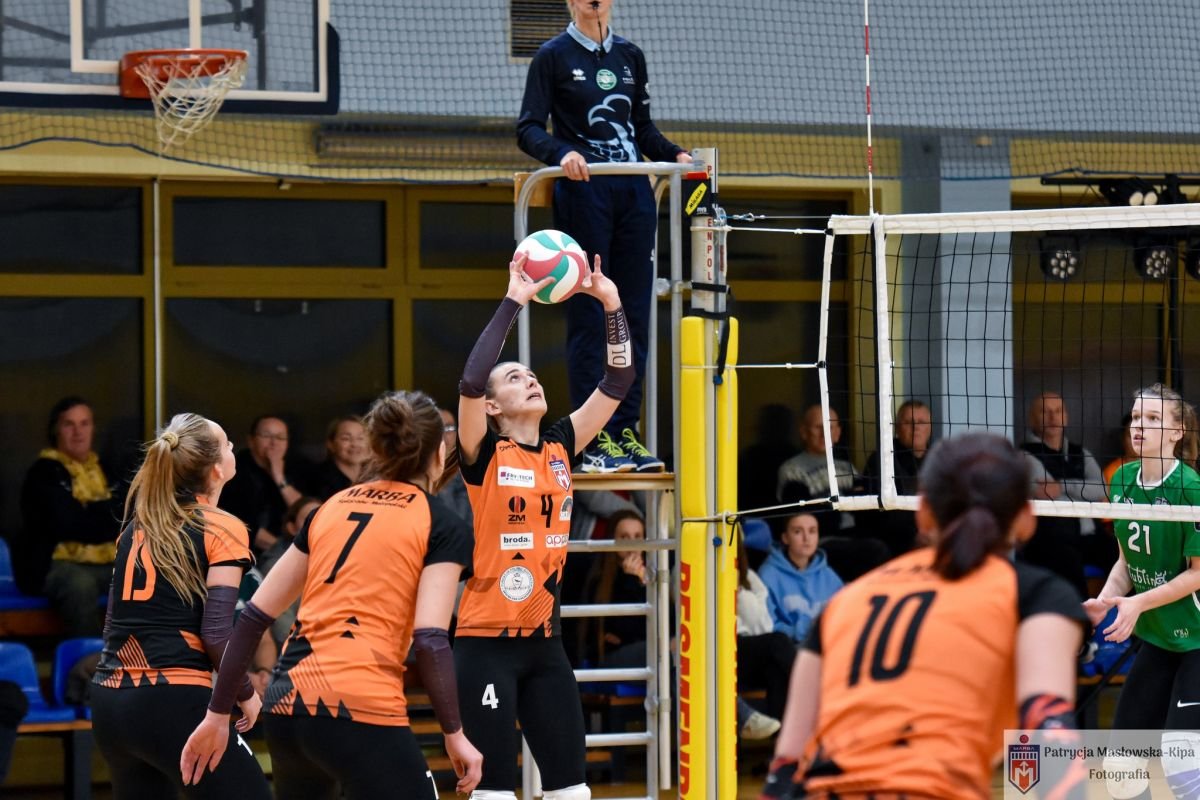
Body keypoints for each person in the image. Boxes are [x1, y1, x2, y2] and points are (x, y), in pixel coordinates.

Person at [180, 391, 481, 799]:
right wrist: (454, 733)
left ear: (375, 447)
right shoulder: (441, 522)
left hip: (288, 705)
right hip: (360, 703)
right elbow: (429, 638)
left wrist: (217, 715)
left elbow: (253, 616)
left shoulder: (331, 507)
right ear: (439, 451)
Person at [761, 432, 1087, 800]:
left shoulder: (845, 601)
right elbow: (1048, 726)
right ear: (1026, 518)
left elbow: (785, 766)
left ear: (923, 513)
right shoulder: (1033, 592)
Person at [453, 251, 634, 799]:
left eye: (531, 375)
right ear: (492, 407)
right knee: (494, 792)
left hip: (545, 644)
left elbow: (619, 378)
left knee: (571, 790)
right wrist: (514, 300)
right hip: (484, 644)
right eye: (514, 378)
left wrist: (611, 303)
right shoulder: (482, 452)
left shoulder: (560, 445)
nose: (530, 380)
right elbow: (470, 381)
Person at [517, 0, 691, 474]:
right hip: (586, 191)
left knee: (633, 316)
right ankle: (591, 439)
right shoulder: (552, 55)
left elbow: (642, 129)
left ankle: (625, 432)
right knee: (592, 314)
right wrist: (562, 153)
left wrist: (675, 153)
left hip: (634, 192)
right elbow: (527, 128)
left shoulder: (630, 55)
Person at [90, 413, 270, 800]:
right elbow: (217, 633)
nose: (233, 447)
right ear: (217, 468)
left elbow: (111, 625)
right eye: (227, 443)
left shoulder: (136, 528)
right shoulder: (221, 526)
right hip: (173, 698)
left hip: (110, 702)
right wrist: (246, 694)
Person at [1084, 384, 1200, 798]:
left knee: (1182, 762)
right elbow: (1125, 562)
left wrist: (1138, 603)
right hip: (1159, 639)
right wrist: (1105, 601)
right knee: (1120, 768)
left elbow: (1198, 574)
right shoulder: (1121, 480)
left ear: (1177, 432)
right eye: (1136, 417)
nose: (1140, 426)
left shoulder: (1190, 487)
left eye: (1152, 419)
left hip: (1197, 640)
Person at [18, 396, 125, 636]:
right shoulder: (44, 472)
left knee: (147, 577)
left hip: (107, 562)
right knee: (80, 584)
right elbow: (68, 523)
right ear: (56, 430)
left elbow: (126, 516)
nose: (78, 432)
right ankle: (89, 657)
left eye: (84, 423)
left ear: (93, 428)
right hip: (56, 565)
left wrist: (90, 512)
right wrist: (105, 512)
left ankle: (142, 654)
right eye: (69, 424)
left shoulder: (106, 469)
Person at [1019, 391, 1107, 601]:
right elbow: (1048, 494)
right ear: (1032, 419)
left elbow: (1103, 489)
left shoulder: (1081, 452)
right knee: (1069, 568)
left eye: (1058, 411)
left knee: (1124, 557)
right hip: (1051, 539)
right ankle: (1080, 620)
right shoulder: (1024, 455)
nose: (1053, 417)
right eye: (1045, 411)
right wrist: (1084, 491)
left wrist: (1063, 485)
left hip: (1090, 535)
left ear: (1065, 417)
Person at [218, 414, 309, 559]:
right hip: (249, 554)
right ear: (251, 440)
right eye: (266, 436)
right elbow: (245, 527)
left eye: (280, 437)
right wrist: (286, 553)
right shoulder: (234, 472)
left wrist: (279, 478)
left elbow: (308, 512)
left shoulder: (298, 467)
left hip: (292, 550)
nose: (274, 443)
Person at [735, 534, 794, 740]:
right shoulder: (688, 570)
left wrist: (739, 591)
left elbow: (763, 625)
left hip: (749, 647)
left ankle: (782, 747)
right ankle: (819, 691)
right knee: (778, 642)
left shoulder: (749, 577)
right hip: (716, 650)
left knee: (775, 668)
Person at [757, 512, 843, 645]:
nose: (806, 538)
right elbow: (766, 625)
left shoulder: (829, 575)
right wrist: (803, 630)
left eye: (812, 531)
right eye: (798, 531)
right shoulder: (768, 575)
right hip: (790, 649)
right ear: (785, 538)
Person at [862, 399, 932, 556]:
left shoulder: (939, 459)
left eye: (921, 422)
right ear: (897, 428)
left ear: (930, 427)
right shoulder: (883, 459)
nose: (915, 428)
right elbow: (876, 515)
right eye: (908, 422)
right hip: (894, 538)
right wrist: (915, 536)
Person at [308, 415, 368, 500]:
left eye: (360, 438)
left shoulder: (376, 477)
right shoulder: (316, 479)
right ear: (331, 444)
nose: (355, 444)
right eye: (346, 438)